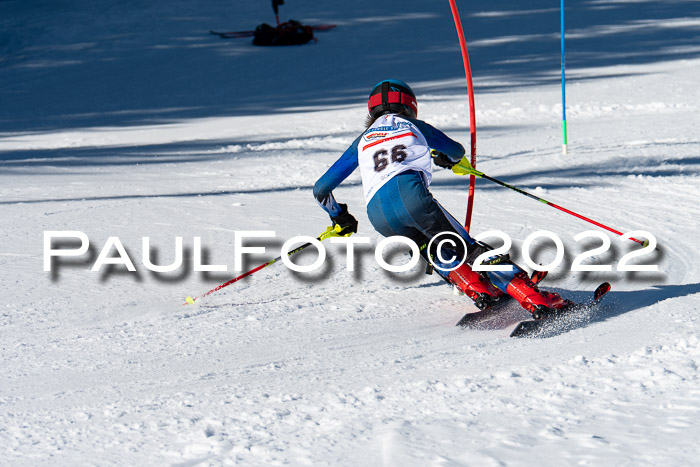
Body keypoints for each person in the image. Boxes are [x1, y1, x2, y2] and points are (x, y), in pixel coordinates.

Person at [313, 79, 569, 318]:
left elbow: (321, 188)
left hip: (379, 216)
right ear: (410, 106)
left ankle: (480, 291)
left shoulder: (362, 141)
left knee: (435, 249)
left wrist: (340, 216)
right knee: (468, 248)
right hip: (412, 197)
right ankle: (536, 299)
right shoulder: (411, 125)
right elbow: (456, 151)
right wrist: (450, 159)